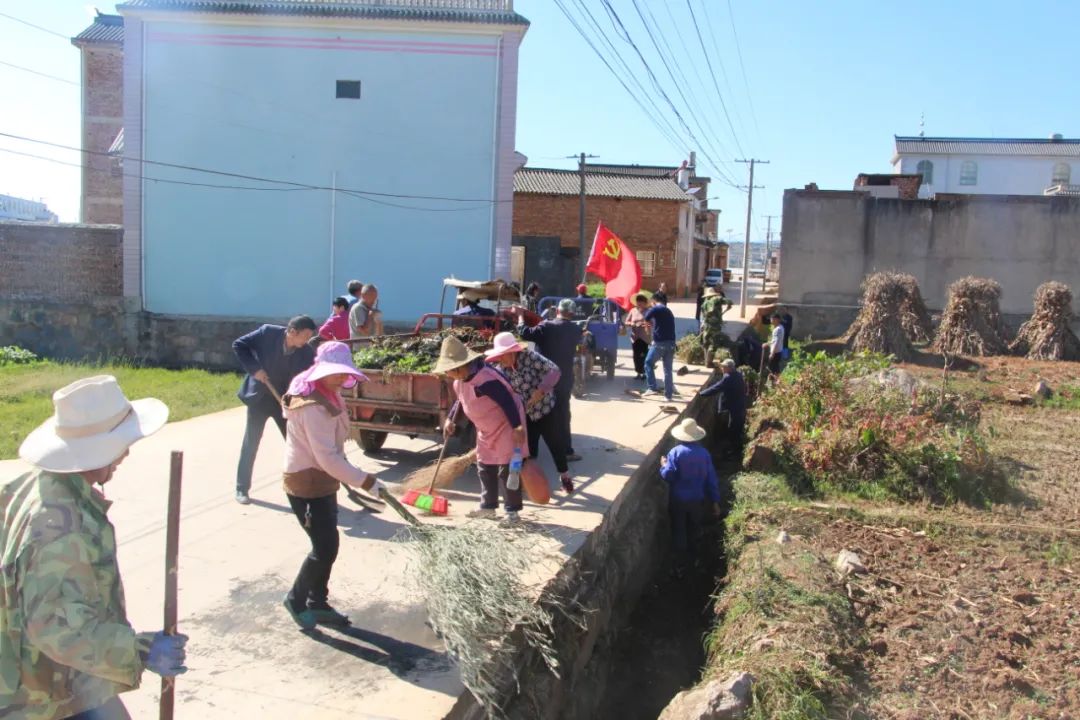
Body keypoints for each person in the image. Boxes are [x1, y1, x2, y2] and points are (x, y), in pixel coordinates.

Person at [1, 376, 188, 719]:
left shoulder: (35, 484)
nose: (126, 453)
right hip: (39, 695)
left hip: (55, 677)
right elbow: (55, 627)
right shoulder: (60, 527)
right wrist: (141, 650)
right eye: (121, 445)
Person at [280, 342, 383, 630]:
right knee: (323, 547)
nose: (340, 378)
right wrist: (365, 481)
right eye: (334, 373)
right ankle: (296, 600)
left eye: (343, 373)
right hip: (306, 480)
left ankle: (318, 602)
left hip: (323, 479)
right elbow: (326, 456)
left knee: (329, 545)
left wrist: (356, 477)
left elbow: (333, 452)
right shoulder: (312, 404)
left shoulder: (329, 394)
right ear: (321, 370)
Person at [436, 337, 528, 524]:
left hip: (505, 425)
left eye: (448, 370)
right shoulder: (460, 381)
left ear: (459, 367)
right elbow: (460, 401)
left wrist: (517, 427)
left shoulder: (485, 380)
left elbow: (507, 402)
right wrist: (449, 420)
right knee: (485, 466)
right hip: (486, 429)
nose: (446, 373)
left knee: (507, 469)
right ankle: (488, 507)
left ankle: (512, 513)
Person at [233, 316, 317, 505]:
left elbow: (310, 379)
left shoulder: (306, 353)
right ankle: (241, 488)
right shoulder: (267, 333)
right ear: (292, 332)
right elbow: (239, 345)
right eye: (305, 336)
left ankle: (304, 487)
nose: (306, 341)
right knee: (251, 443)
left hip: (285, 404)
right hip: (260, 398)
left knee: (297, 446)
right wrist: (255, 370)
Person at [485, 332, 574, 494]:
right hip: (524, 415)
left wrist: (541, 391)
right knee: (527, 451)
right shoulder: (500, 371)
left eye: (504, 355)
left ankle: (565, 477)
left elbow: (554, 370)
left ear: (512, 351)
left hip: (545, 409)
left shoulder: (530, 357)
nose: (502, 360)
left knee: (555, 445)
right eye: (500, 356)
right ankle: (527, 483)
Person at [517, 298, 584, 462]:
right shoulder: (576, 330)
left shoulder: (546, 326)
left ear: (558, 310)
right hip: (564, 379)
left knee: (536, 414)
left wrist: (520, 316)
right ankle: (567, 451)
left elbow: (523, 332)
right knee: (562, 415)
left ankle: (531, 454)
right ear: (573, 313)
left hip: (543, 380)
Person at [660, 418, 721, 572]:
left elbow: (669, 476)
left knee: (679, 529)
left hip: (678, 500)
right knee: (694, 528)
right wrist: (715, 501)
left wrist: (663, 466)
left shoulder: (675, 452)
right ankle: (695, 560)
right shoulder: (704, 454)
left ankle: (679, 564)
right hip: (697, 500)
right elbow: (711, 479)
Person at [699, 359, 747, 459]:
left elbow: (717, 387)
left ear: (729, 368)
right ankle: (734, 448)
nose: (722, 369)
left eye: (724, 367)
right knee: (734, 428)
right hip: (738, 405)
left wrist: (702, 393)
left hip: (735, 407)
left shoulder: (728, 378)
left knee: (733, 429)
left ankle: (735, 452)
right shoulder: (737, 374)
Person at [643, 291, 677, 401]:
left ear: (654, 300)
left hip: (660, 344)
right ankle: (668, 396)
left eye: (651, 302)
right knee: (668, 370)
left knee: (648, 362)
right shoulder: (668, 311)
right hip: (671, 343)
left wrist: (647, 330)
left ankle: (652, 387)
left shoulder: (656, 308)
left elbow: (646, 318)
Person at [699, 286, 733, 367]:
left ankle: (706, 361)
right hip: (714, 327)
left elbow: (703, 316)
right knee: (714, 344)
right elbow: (728, 301)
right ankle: (709, 363)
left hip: (706, 326)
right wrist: (729, 304)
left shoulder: (704, 304)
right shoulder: (716, 299)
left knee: (706, 343)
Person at [624, 293, 652, 379]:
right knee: (636, 356)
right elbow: (626, 322)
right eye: (638, 301)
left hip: (644, 338)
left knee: (643, 355)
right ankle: (638, 372)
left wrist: (644, 325)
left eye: (641, 301)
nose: (639, 303)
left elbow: (652, 323)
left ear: (645, 302)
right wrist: (632, 323)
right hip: (634, 337)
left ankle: (644, 372)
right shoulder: (633, 310)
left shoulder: (649, 311)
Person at [767, 313, 786, 378]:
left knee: (773, 368)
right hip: (779, 351)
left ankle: (776, 382)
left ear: (776, 319)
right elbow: (775, 340)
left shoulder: (777, 329)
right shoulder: (781, 327)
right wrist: (767, 343)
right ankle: (777, 382)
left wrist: (772, 353)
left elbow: (776, 342)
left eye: (772, 319)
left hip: (775, 352)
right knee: (775, 367)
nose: (771, 320)